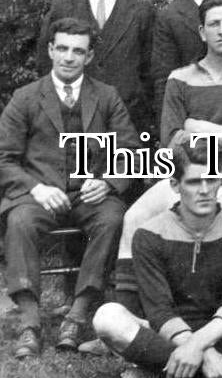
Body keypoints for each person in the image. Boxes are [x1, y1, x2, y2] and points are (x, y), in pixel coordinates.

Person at [112, 0, 222, 314]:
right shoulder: (179, 79)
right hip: (186, 177)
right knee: (134, 218)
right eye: (214, 24)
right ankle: (128, 316)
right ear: (202, 32)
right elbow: (172, 142)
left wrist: (197, 126)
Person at [91, 143, 222, 378]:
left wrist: (197, 346)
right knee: (107, 317)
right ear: (175, 185)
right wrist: (206, 355)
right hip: (167, 334)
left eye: (211, 180)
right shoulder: (149, 234)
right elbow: (159, 310)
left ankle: (159, 374)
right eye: (194, 182)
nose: (205, 190)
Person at [0, 18, 140, 357]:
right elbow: (4, 158)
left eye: (78, 51)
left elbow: (132, 152)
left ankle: (77, 316)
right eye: (62, 48)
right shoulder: (26, 98)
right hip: (39, 195)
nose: (68, 57)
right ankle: (30, 323)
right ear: (50, 50)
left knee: (111, 219)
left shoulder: (106, 97)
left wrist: (107, 182)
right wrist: (36, 189)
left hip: (88, 195)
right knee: (20, 221)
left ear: (89, 57)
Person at [37, 0, 155, 136]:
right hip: (72, 123)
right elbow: (45, 63)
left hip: (127, 124)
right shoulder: (62, 7)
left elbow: (151, 71)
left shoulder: (142, 10)